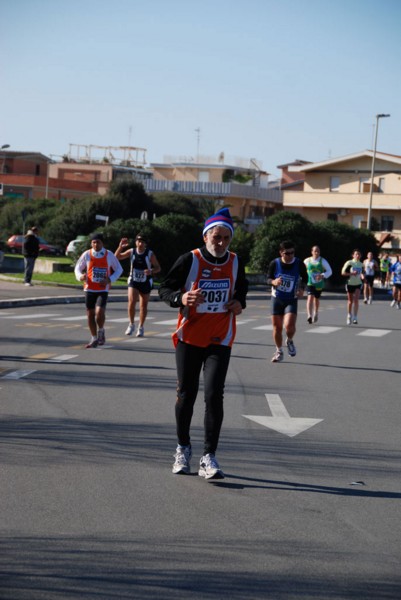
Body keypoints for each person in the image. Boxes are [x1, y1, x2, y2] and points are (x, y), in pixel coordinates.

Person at [159, 208, 248, 480]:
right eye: (216, 237)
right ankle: (183, 447)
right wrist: (180, 298)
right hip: (189, 337)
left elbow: (241, 291)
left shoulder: (234, 262)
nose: (220, 243)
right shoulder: (190, 259)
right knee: (186, 395)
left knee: (213, 395)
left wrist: (238, 304)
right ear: (206, 235)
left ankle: (209, 456)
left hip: (220, 339)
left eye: (225, 238)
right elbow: (164, 288)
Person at [74, 233, 123, 348]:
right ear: (91, 243)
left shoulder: (109, 255)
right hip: (89, 288)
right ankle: (94, 338)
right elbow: (77, 268)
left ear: (102, 243)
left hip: (102, 289)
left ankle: (101, 330)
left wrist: (110, 279)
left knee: (99, 313)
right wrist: (80, 276)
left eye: (98, 242)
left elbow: (119, 270)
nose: (96, 245)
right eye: (94, 242)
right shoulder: (87, 254)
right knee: (90, 314)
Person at [266, 240, 307, 363]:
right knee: (277, 328)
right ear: (281, 253)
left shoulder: (299, 263)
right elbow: (267, 278)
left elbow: (305, 277)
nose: (290, 256)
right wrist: (273, 282)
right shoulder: (275, 263)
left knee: (289, 326)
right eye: (287, 253)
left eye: (292, 253)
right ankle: (279, 351)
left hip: (291, 299)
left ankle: (289, 340)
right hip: (276, 298)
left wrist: (301, 289)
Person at [115, 233, 161, 337]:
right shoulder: (132, 251)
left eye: (142, 242)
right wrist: (120, 247)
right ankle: (131, 324)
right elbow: (117, 257)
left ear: (145, 244)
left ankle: (141, 326)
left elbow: (158, 268)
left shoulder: (150, 254)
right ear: (136, 242)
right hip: (134, 280)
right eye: (138, 241)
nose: (140, 244)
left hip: (145, 281)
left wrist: (151, 271)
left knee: (143, 305)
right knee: (131, 302)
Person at [303, 245, 332, 323]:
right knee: (310, 297)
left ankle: (316, 312)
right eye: (315, 251)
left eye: (318, 251)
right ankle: (309, 315)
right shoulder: (307, 261)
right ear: (312, 252)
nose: (316, 252)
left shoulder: (322, 261)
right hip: (310, 283)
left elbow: (329, 271)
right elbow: (301, 270)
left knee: (316, 299)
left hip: (319, 284)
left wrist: (322, 275)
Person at [341, 249, 363, 325]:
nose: (357, 255)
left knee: (356, 300)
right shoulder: (349, 263)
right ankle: (349, 315)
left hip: (358, 283)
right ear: (353, 255)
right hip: (350, 283)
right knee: (350, 301)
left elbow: (362, 273)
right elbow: (343, 273)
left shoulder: (361, 264)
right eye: (356, 254)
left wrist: (363, 276)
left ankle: (355, 317)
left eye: (359, 254)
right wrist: (351, 273)